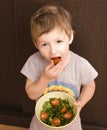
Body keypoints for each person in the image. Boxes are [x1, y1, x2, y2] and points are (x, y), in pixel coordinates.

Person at [21, 5, 98, 130]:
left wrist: (80, 104)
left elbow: (90, 85)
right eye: (45, 44)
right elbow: (31, 94)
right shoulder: (34, 62)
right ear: (36, 45)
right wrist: (45, 78)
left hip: (71, 124)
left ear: (70, 37)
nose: (53, 51)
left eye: (58, 41)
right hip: (41, 125)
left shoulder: (80, 64)